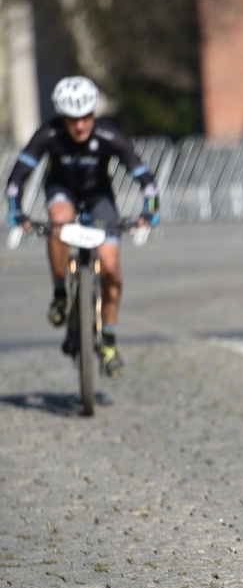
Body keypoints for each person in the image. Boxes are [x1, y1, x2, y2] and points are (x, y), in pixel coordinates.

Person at [5, 75, 160, 378]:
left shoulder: (109, 134)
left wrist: (149, 210)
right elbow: (17, 178)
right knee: (58, 223)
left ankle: (109, 341)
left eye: (86, 117)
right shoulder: (48, 133)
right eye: (72, 119)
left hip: (99, 196)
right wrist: (17, 212)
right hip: (62, 191)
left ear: (93, 113)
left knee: (111, 267)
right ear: (61, 117)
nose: (79, 126)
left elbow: (145, 178)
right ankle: (60, 293)